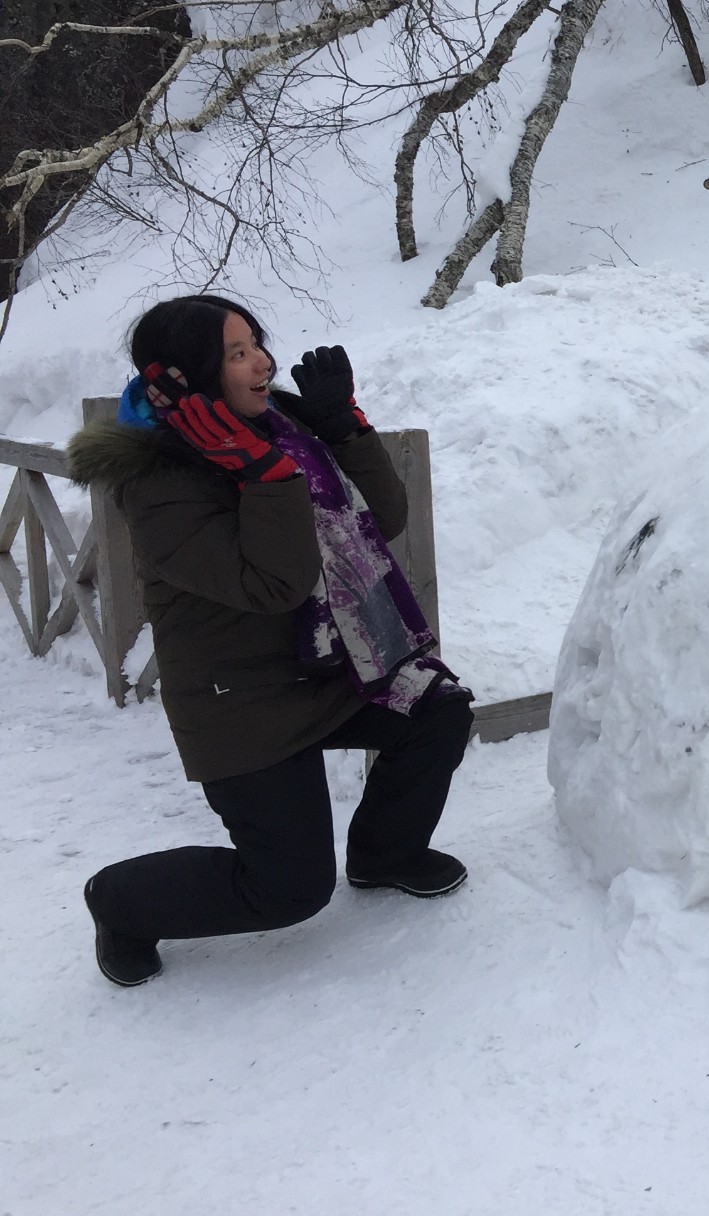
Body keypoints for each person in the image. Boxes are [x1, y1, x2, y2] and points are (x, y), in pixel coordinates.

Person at [66, 294, 474, 987]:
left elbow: (387, 515)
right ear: (191, 376)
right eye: (237, 352)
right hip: (245, 707)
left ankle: (385, 854)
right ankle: (121, 902)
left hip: (337, 668)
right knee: (288, 890)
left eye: (257, 342)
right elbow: (275, 586)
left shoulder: (277, 429)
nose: (264, 362)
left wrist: (343, 428)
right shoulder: (160, 482)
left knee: (438, 706)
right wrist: (263, 475)